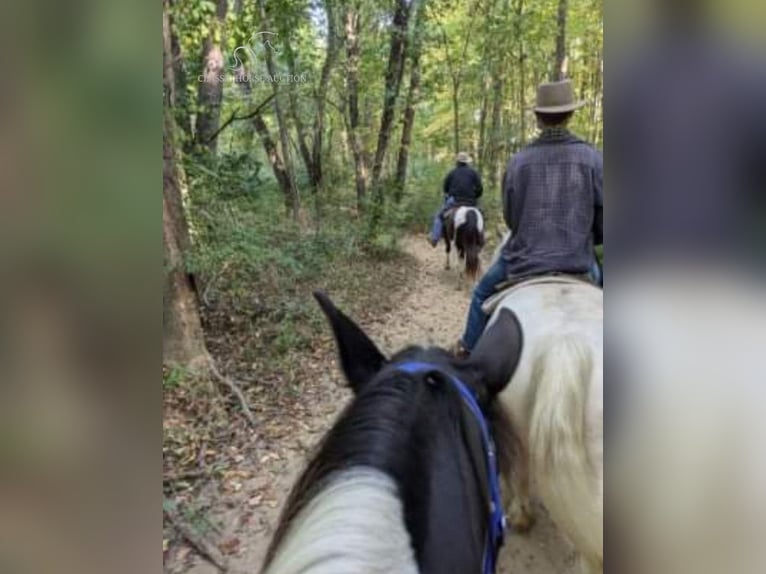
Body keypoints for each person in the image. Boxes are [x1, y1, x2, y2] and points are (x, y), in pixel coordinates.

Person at [456, 79, 604, 356]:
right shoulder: (593, 158)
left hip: (523, 260)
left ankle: (466, 357)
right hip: (578, 261)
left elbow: (512, 219)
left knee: (480, 295)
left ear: (538, 118)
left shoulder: (518, 162)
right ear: (571, 114)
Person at [428, 152, 484, 247]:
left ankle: (434, 238)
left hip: (455, 201)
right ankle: (481, 238)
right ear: (467, 162)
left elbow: (445, 188)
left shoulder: (452, 173)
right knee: (481, 215)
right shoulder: (474, 173)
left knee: (440, 215)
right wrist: (474, 196)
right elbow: (480, 189)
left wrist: (449, 193)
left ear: (457, 162)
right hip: (470, 202)